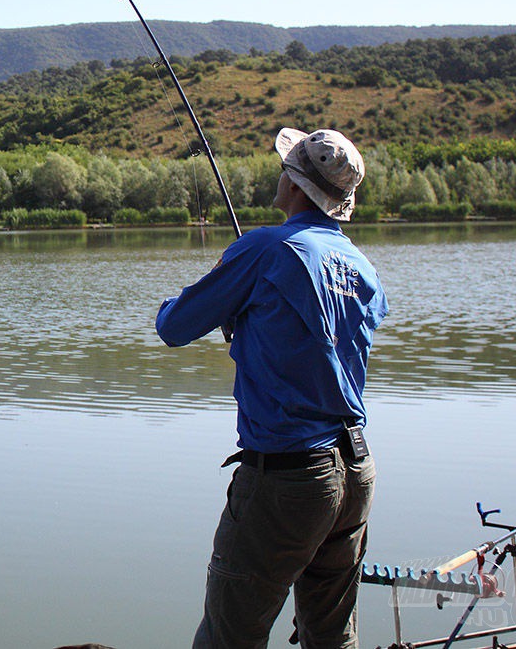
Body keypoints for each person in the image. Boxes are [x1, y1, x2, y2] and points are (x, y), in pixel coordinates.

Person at [156, 127, 388, 649]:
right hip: (354, 471)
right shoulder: (360, 265)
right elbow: (316, 351)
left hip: (288, 478)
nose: (279, 174)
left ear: (298, 185)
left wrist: (208, 293)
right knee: (331, 636)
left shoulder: (264, 246)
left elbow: (173, 327)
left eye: (287, 167)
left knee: (229, 637)